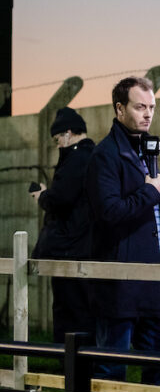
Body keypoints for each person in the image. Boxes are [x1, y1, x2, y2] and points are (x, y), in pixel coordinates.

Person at [86, 77, 160, 385]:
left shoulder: (147, 153)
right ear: (119, 108)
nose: (148, 114)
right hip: (120, 286)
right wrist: (151, 193)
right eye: (140, 107)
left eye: (152, 107)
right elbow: (109, 212)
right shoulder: (104, 156)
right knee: (112, 371)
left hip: (153, 282)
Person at [31, 107, 95, 343]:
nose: (58, 145)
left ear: (68, 133)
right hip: (83, 249)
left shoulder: (77, 159)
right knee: (82, 314)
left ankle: (71, 372)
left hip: (69, 251)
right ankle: (81, 370)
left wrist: (43, 196)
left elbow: (61, 198)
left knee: (69, 315)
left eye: (58, 139)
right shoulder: (93, 156)